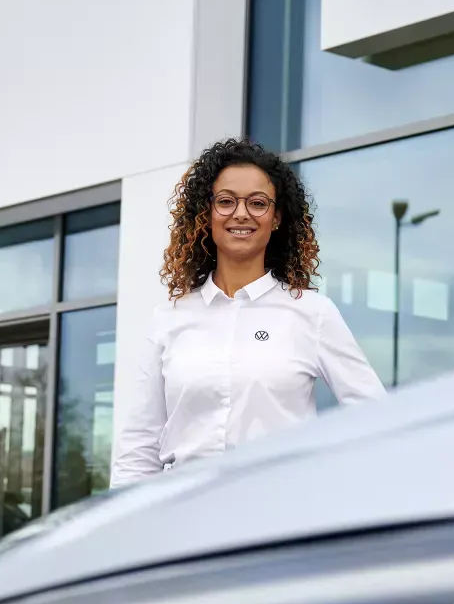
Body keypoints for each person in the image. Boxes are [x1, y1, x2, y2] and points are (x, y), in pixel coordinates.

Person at [110, 138, 384, 487]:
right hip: (185, 518)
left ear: (277, 217)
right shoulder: (170, 318)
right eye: (225, 202)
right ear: (205, 215)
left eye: (257, 203)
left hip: (278, 520)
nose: (241, 213)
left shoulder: (312, 313)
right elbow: (138, 448)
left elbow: (373, 416)